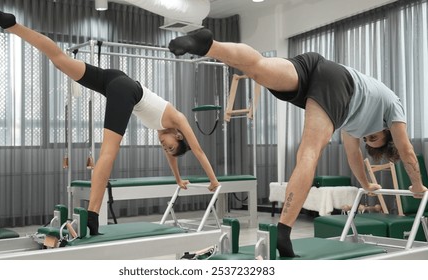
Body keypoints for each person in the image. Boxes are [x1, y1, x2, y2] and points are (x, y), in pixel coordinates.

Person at [168, 28, 428, 257]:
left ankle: (208, 45)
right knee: (309, 153)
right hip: (338, 83)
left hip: (316, 66)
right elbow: (406, 150)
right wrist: (417, 185)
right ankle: (283, 231)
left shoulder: (354, 125)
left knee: (258, 68)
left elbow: (353, 156)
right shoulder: (393, 106)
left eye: (369, 140)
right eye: (374, 137)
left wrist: (366, 184)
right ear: (388, 133)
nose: (368, 138)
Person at [0, 6, 220, 236]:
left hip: (115, 80)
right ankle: (93, 215)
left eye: (166, 148)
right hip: (126, 90)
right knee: (108, 152)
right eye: (169, 145)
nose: (164, 145)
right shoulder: (178, 118)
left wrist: (178, 179)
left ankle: (12, 25)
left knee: (60, 60)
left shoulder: (165, 129)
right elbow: (198, 149)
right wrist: (213, 180)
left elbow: (172, 157)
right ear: (178, 135)